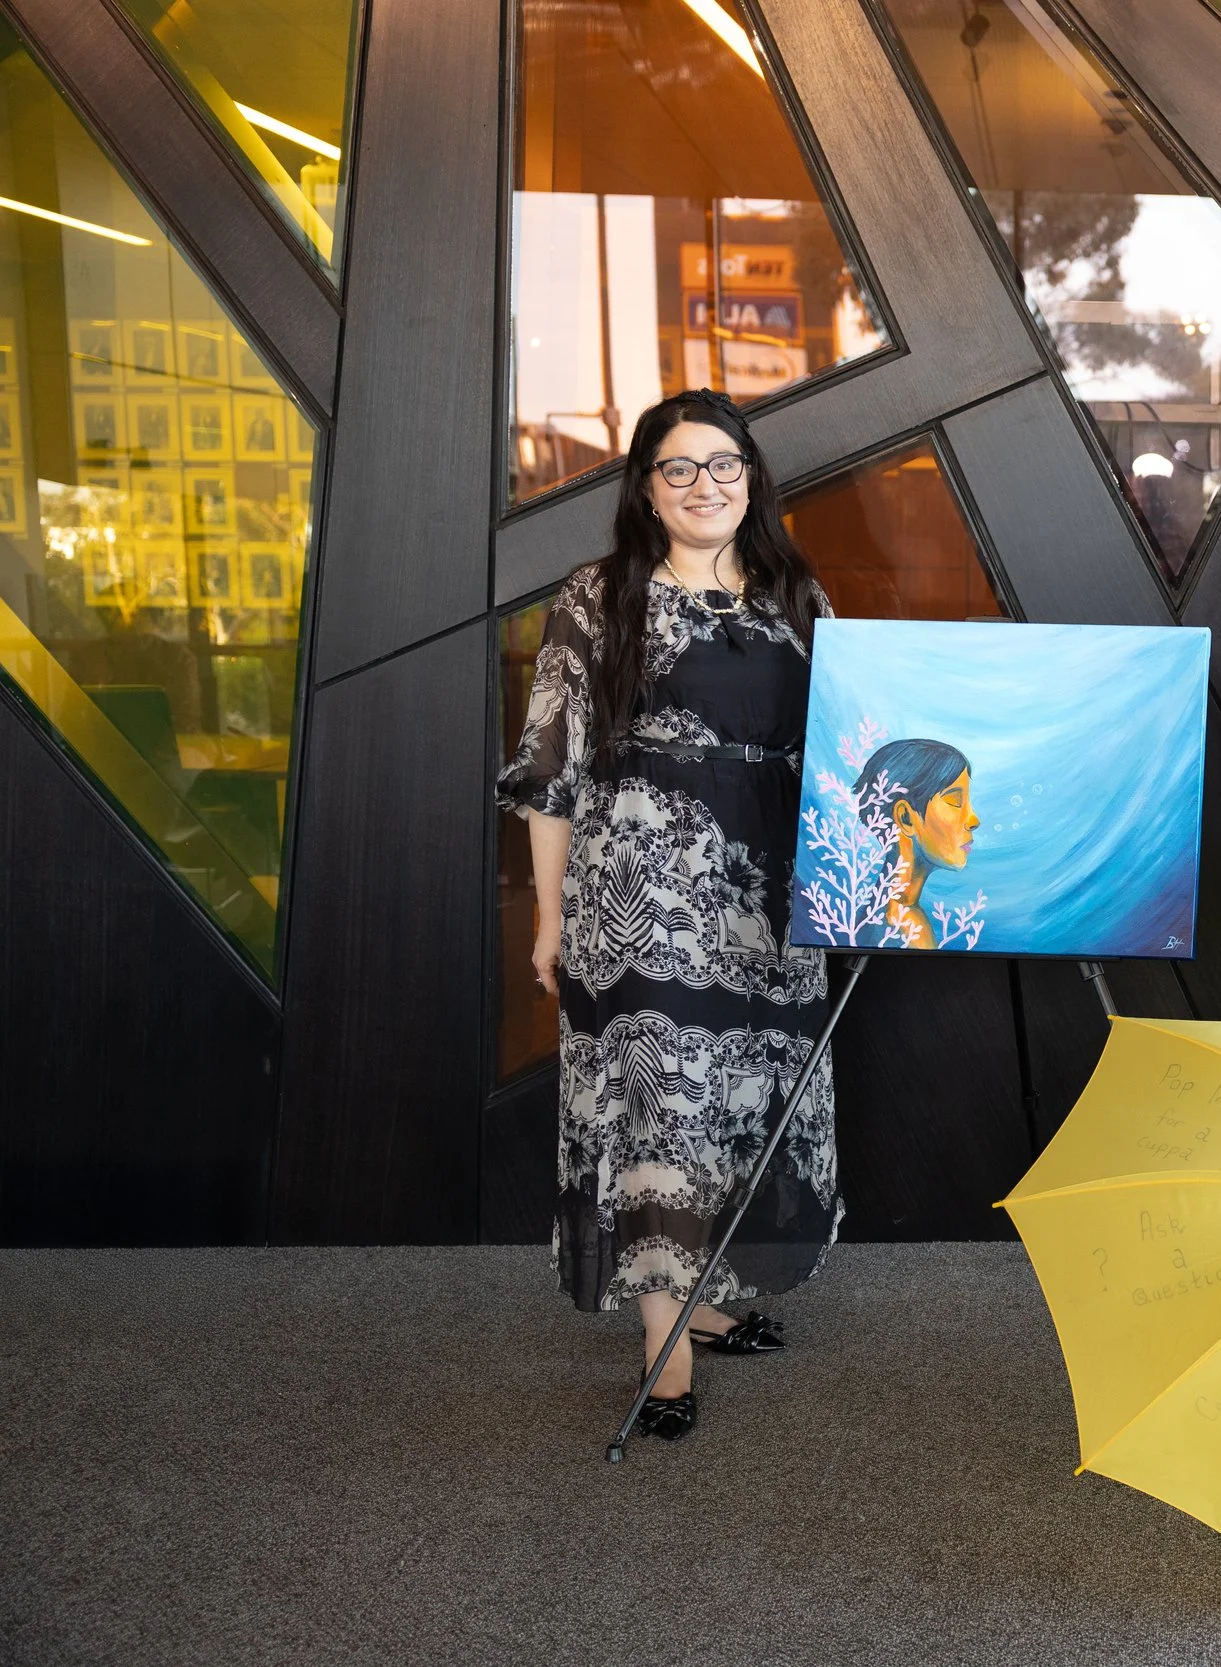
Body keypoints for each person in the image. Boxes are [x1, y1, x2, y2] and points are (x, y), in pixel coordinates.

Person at [498, 388, 835, 1441]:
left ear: (752, 478)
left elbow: (847, 747)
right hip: (638, 902)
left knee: (739, 1106)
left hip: (771, 897)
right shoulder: (600, 596)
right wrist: (548, 919)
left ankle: (705, 1295)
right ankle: (665, 1340)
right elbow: (547, 768)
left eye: (722, 465)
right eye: (678, 468)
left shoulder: (796, 593)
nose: (704, 486)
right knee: (658, 1109)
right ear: (647, 488)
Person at [852, 736, 979, 947]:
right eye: (955, 801)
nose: (974, 819)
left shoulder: (881, 912)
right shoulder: (905, 925)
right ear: (906, 817)